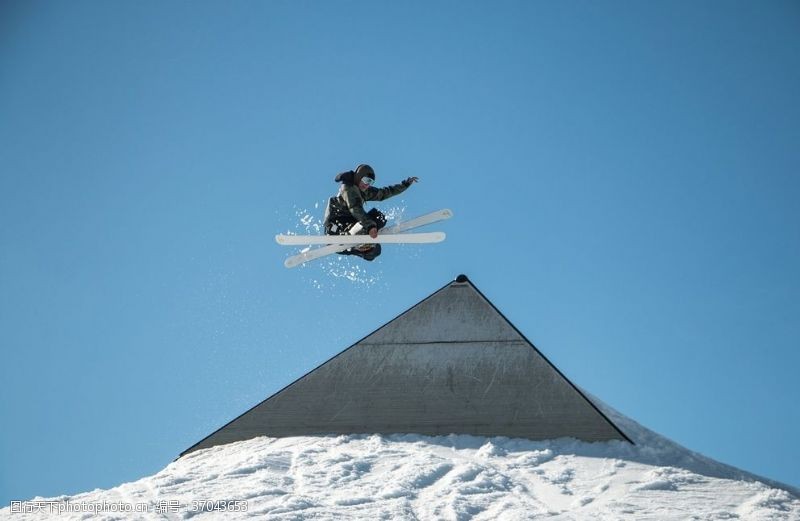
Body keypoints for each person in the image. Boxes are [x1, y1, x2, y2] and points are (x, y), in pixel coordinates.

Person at [323, 164, 418, 260]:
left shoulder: (363, 190)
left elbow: (383, 193)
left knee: (375, 249)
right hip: (336, 228)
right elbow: (355, 208)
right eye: (366, 180)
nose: (367, 184)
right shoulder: (349, 189)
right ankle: (351, 238)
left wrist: (404, 185)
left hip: (348, 227)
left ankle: (358, 246)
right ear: (359, 177)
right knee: (375, 218)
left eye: (371, 182)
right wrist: (370, 226)